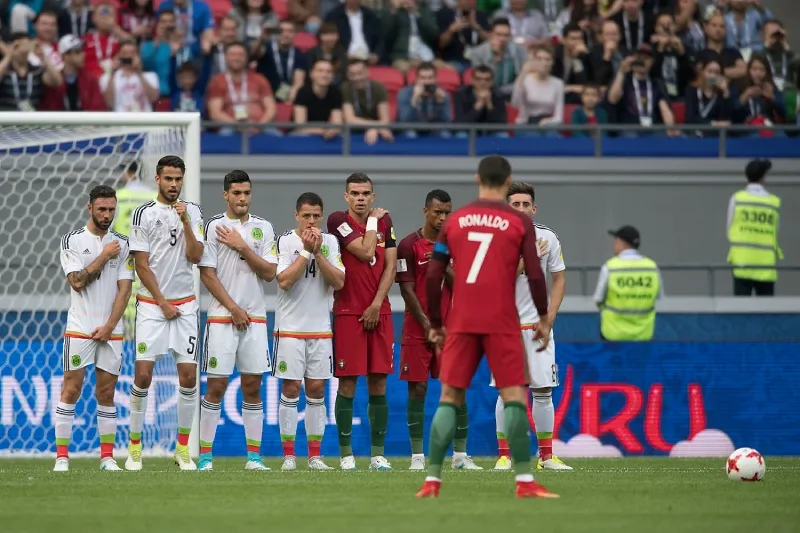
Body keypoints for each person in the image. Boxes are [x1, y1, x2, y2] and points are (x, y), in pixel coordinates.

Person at [416, 155, 556, 499]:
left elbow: (434, 274)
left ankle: (432, 480)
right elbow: (535, 274)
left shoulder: (457, 220)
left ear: (478, 178)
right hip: (502, 319)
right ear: (507, 182)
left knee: (449, 397)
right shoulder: (518, 222)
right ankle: (525, 481)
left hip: (463, 318)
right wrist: (542, 316)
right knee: (513, 397)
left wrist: (435, 322)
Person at [127, 155, 204, 471]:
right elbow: (141, 265)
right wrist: (161, 302)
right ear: (158, 179)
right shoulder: (142, 213)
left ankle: (182, 449)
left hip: (186, 307)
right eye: (168, 179)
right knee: (143, 375)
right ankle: (134, 449)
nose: (174, 184)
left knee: (188, 378)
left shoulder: (194, 212)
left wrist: (185, 221)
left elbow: (196, 255)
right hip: (151, 307)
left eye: (178, 179)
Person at [396, 190, 481, 471]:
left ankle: (460, 456)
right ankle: (418, 457)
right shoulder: (408, 245)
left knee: (456, 389)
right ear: (425, 211)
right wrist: (428, 324)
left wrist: (442, 266)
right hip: (418, 326)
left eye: (447, 212)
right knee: (417, 389)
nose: (443, 217)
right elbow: (406, 290)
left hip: (453, 329)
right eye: (437, 212)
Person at [197, 170, 277, 471]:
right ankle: (205, 456)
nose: (242, 198)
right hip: (222, 317)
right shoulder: (215, 227)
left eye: (246, 193)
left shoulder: (263, 228)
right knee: (216, 386)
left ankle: (254, 457)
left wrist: (242, 245)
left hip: (255, 317)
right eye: (236, 193)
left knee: (253, 386)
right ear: (226, 195)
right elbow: (207, 274)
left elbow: (270, 273)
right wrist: (233, 308)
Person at [54, 185, 133, 472]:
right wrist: (103, 257)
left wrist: (110, 326)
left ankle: (107, 458)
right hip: (79, 328)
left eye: (111, 209)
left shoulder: (123, 244)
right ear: (90, 208)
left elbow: (125, 290)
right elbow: (76, 281)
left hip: (111, 330)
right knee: (71, 389)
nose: (107, 214)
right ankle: (62, 457)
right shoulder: (72, 241)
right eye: (101, 209)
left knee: (107, 393)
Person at [491, 181, 569, 472]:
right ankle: (504, 455)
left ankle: (546, 456)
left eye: (526, 204)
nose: (522, 209)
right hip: (505, 327)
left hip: (537, 327)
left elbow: (559, 277)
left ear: (534, 208)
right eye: (516, 204)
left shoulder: (548, 237)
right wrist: (526, 257)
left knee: (543, 390)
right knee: (506, 392)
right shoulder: (494, 238)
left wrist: (550, 316)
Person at [326, 173, 396, 471]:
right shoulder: (337, 220)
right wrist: (371, 223)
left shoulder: (386, 223)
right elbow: (366, 252)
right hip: (348, 312)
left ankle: (378, 455)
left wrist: (377, 304)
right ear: (346, 196)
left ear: (373, 196)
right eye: (355, 193)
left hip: (379, 312)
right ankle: (346, 456)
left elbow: (390, 266)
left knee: (379, 382)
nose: (360, 198)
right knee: (348, 383)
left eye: (366, 193)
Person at [274, 192, 345, 471]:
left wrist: (317, 252)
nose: (312, 221)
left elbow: (339, 282)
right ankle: (289, 456)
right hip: (290, 329)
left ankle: (315, 456)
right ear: (296, 216)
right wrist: (305, 251)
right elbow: (283, 281)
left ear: (322, 215)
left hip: (320, 330)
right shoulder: (286, 240)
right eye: (306, 216)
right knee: (291, 389)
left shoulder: (330, 243)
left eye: (316, 216)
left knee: (317, 390)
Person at [593, 225, 663, 341]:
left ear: (622, 243)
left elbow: (598, 299)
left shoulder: (610, 267)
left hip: (613, 333)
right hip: (643, 334)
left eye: (616, 240)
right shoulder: (652, 267)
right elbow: (658, 297)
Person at [112, 161, 157, 340]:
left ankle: (126, 332)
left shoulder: (119, 195)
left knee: (124, 289)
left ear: (127, 172)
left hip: (123, 252)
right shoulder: (153, 196)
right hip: (148, 253)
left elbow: (111, 225)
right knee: (145, 288)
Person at [727, 158, 782, 297]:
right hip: (765, 264)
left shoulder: (737, 198)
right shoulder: (773, 202)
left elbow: (729, 229)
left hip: (742, 261)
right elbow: (776, 231)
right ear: (763, 177)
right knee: (766, 313)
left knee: (740, 311)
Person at [206, 42, 278, 136]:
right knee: (225, 135)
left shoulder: (260, 79)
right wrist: (237, 126)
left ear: (246, 58)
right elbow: (215, 113)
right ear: (226, 58)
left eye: (240, 55)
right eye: (233, 55)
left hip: (260, 125)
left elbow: (271, 109)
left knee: (278, 138)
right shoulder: (217, 81)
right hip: (230, 126)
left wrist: (259, 125)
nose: (236, 58)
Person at [607, 44, 677, 137]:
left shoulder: (656, 83)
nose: (642, 61)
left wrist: (670, 128)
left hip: (652, 128)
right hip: (629, 129)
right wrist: (621, 71)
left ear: (652, 62)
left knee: (666, 137)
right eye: (638, 58)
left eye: (646, 58)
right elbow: (612, 99)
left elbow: (664, 108)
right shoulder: (624, 80)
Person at [511, 44, 564, 137]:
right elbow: (515, 104)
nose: (544, 63)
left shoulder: (558, 83)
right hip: (526, 123)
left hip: (547, 123)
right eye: (539, 59)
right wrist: (523, 73)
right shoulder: (525, 79)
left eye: (547, 59)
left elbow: (559, 117)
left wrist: (549, 121)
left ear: (552, 62)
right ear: (534, 61)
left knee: (554, 138)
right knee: (534, 138)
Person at [0, 32, 62, 111]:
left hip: (31, 118)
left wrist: (43, 57)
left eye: (26, 46)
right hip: (7, 118)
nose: (23, 51)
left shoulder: (37, 71)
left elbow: (57, 82)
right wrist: (9, 55)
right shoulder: (5, 70)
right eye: (18, 47)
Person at [341, 58, 394, 145]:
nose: (356, 78)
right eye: (352, 74)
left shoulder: (378, 87)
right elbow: (350, 119)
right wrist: (374, 126)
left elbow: (385, 119)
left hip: (377, 131)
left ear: (367, 72)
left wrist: (375, 128)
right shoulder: (345, 88)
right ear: (347, 75)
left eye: (360, 73)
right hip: (354, 130)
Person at [99, 40, 161, 113]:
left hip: (143, 120)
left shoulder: (150, 76)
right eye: (124, 53)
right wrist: (112, 74)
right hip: (120, 121)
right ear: (118, 55)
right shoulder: (106, 78)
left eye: (132, 53)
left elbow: (153, 98)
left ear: (138, 55)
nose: (128, 56)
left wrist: (139, 73)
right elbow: (109, 103)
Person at [255, 19, 307, 102]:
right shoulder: (266, 47)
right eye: (282, 31)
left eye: (290, 31)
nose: (286, 34)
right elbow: (254, 54)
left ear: (295, 34)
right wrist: (261, 39)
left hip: (287, 94)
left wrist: (291, 99)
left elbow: (298, 82)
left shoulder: (299, 54)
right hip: (263, 94)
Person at [292, 58, 343, 138]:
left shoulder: (335, 93)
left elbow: (338, 124)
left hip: (324, 133)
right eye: (320, 71)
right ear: (312, 74)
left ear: (333, 76)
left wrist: (333, 131)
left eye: (329, 72)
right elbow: (300, 126)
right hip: (301, 134)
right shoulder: (303, 92)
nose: (324, 75)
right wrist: (322, 131)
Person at [685, 59, 733, 136]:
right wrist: (712, 123)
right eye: (709, 71)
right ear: (702, 72)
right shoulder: (692, 90)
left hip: (716, 134)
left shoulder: (720, 94)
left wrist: (725, 93)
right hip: (695, 132)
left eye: (717, 73)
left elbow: (725, 121)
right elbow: (690, 118)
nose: (712, 76)